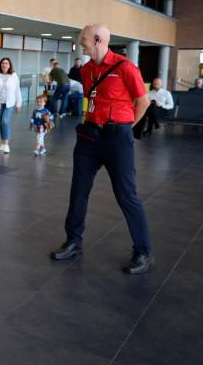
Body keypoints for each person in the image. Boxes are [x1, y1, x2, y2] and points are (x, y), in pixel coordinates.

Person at [50, 23, 153, 274]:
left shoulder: (125, 67)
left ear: (97, 39)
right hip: (89, 136)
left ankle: (143, 252)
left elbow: (143, 102)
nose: (80, 43)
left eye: (83, 39)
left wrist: (125, 128)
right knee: (78, 191)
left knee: (126, 195)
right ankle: (73, 241)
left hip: (117, 137)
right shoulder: (86, 70)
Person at [0, 57, 22, 154]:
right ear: (0, 65)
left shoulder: (14, 75)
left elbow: (17, 90)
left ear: (9, 65)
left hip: (10, 103)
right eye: (3, 63)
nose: (4, 65)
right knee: (1, 122)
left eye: (6, 63)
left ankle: (6, 144)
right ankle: (2, 143)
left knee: (5, 121)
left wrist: (19, 104)